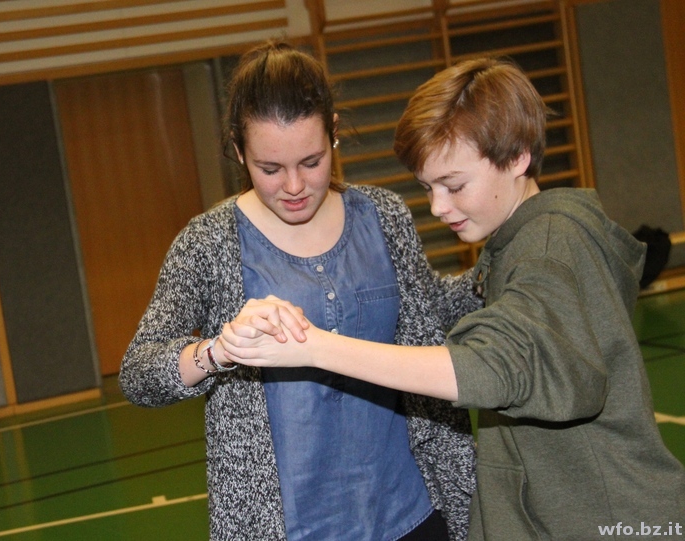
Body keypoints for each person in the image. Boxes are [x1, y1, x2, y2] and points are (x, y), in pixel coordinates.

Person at [220, 57, 685, 540]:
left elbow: (503, 365)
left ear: (518, 156)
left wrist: (316, 347)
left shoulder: (550, 247)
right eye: (428, 188)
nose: (439, 207)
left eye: (454, 185)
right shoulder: (513, 245)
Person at [119, 40, 484, 541]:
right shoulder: (208, 244)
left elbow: (429, 309)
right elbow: (139, 374)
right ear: (238, 150)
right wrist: (218, 351)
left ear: (333, 133)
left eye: (311, 161)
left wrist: (500, 266)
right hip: (291, 529)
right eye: (270, 169)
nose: (294, 185)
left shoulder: (384, 216)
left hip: (412, 511)